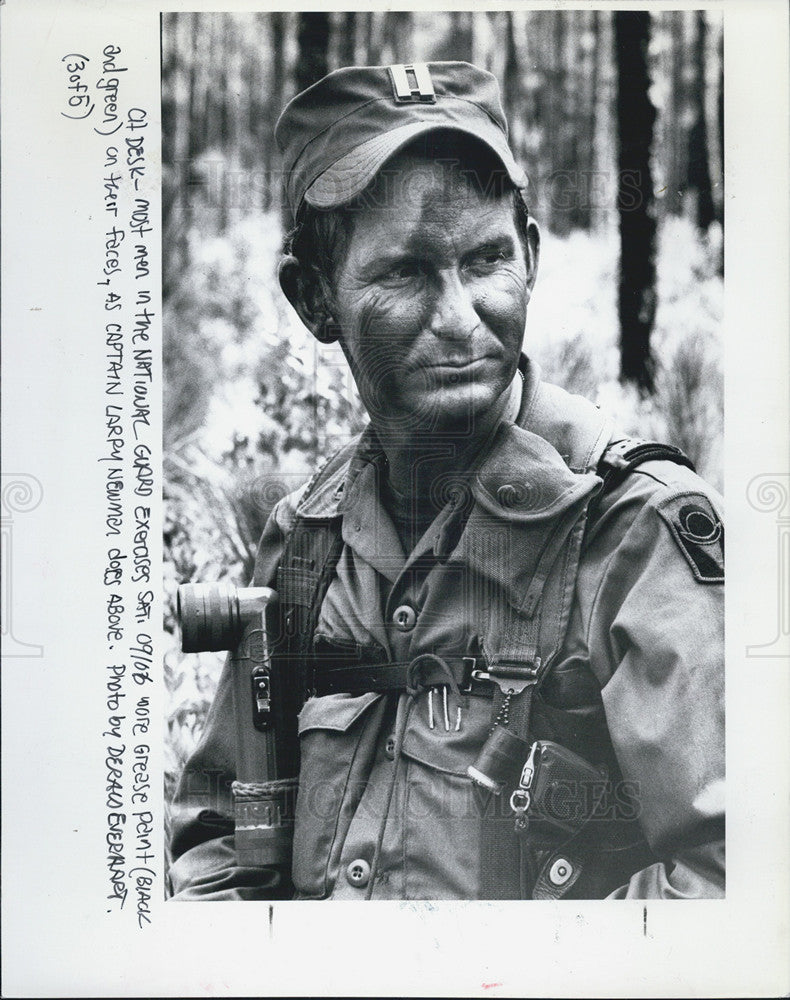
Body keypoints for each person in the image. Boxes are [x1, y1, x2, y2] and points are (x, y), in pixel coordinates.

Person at [169, 61, 724, 900]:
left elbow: (733, 887)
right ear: (315, 299)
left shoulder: (636, 538)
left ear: (530, 257)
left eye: (486, 260)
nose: (460, 318)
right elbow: (214, 842)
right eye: (405, 273)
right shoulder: (308, 546)